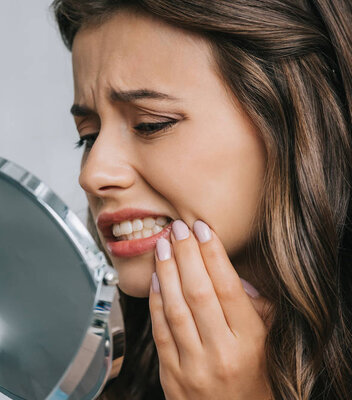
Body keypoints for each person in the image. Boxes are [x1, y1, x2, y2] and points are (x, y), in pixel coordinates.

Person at [50, 0, 352, 399]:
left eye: (150, 124)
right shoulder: (97, 375)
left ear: (293, 120)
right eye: (89, 135)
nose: (92, 175)